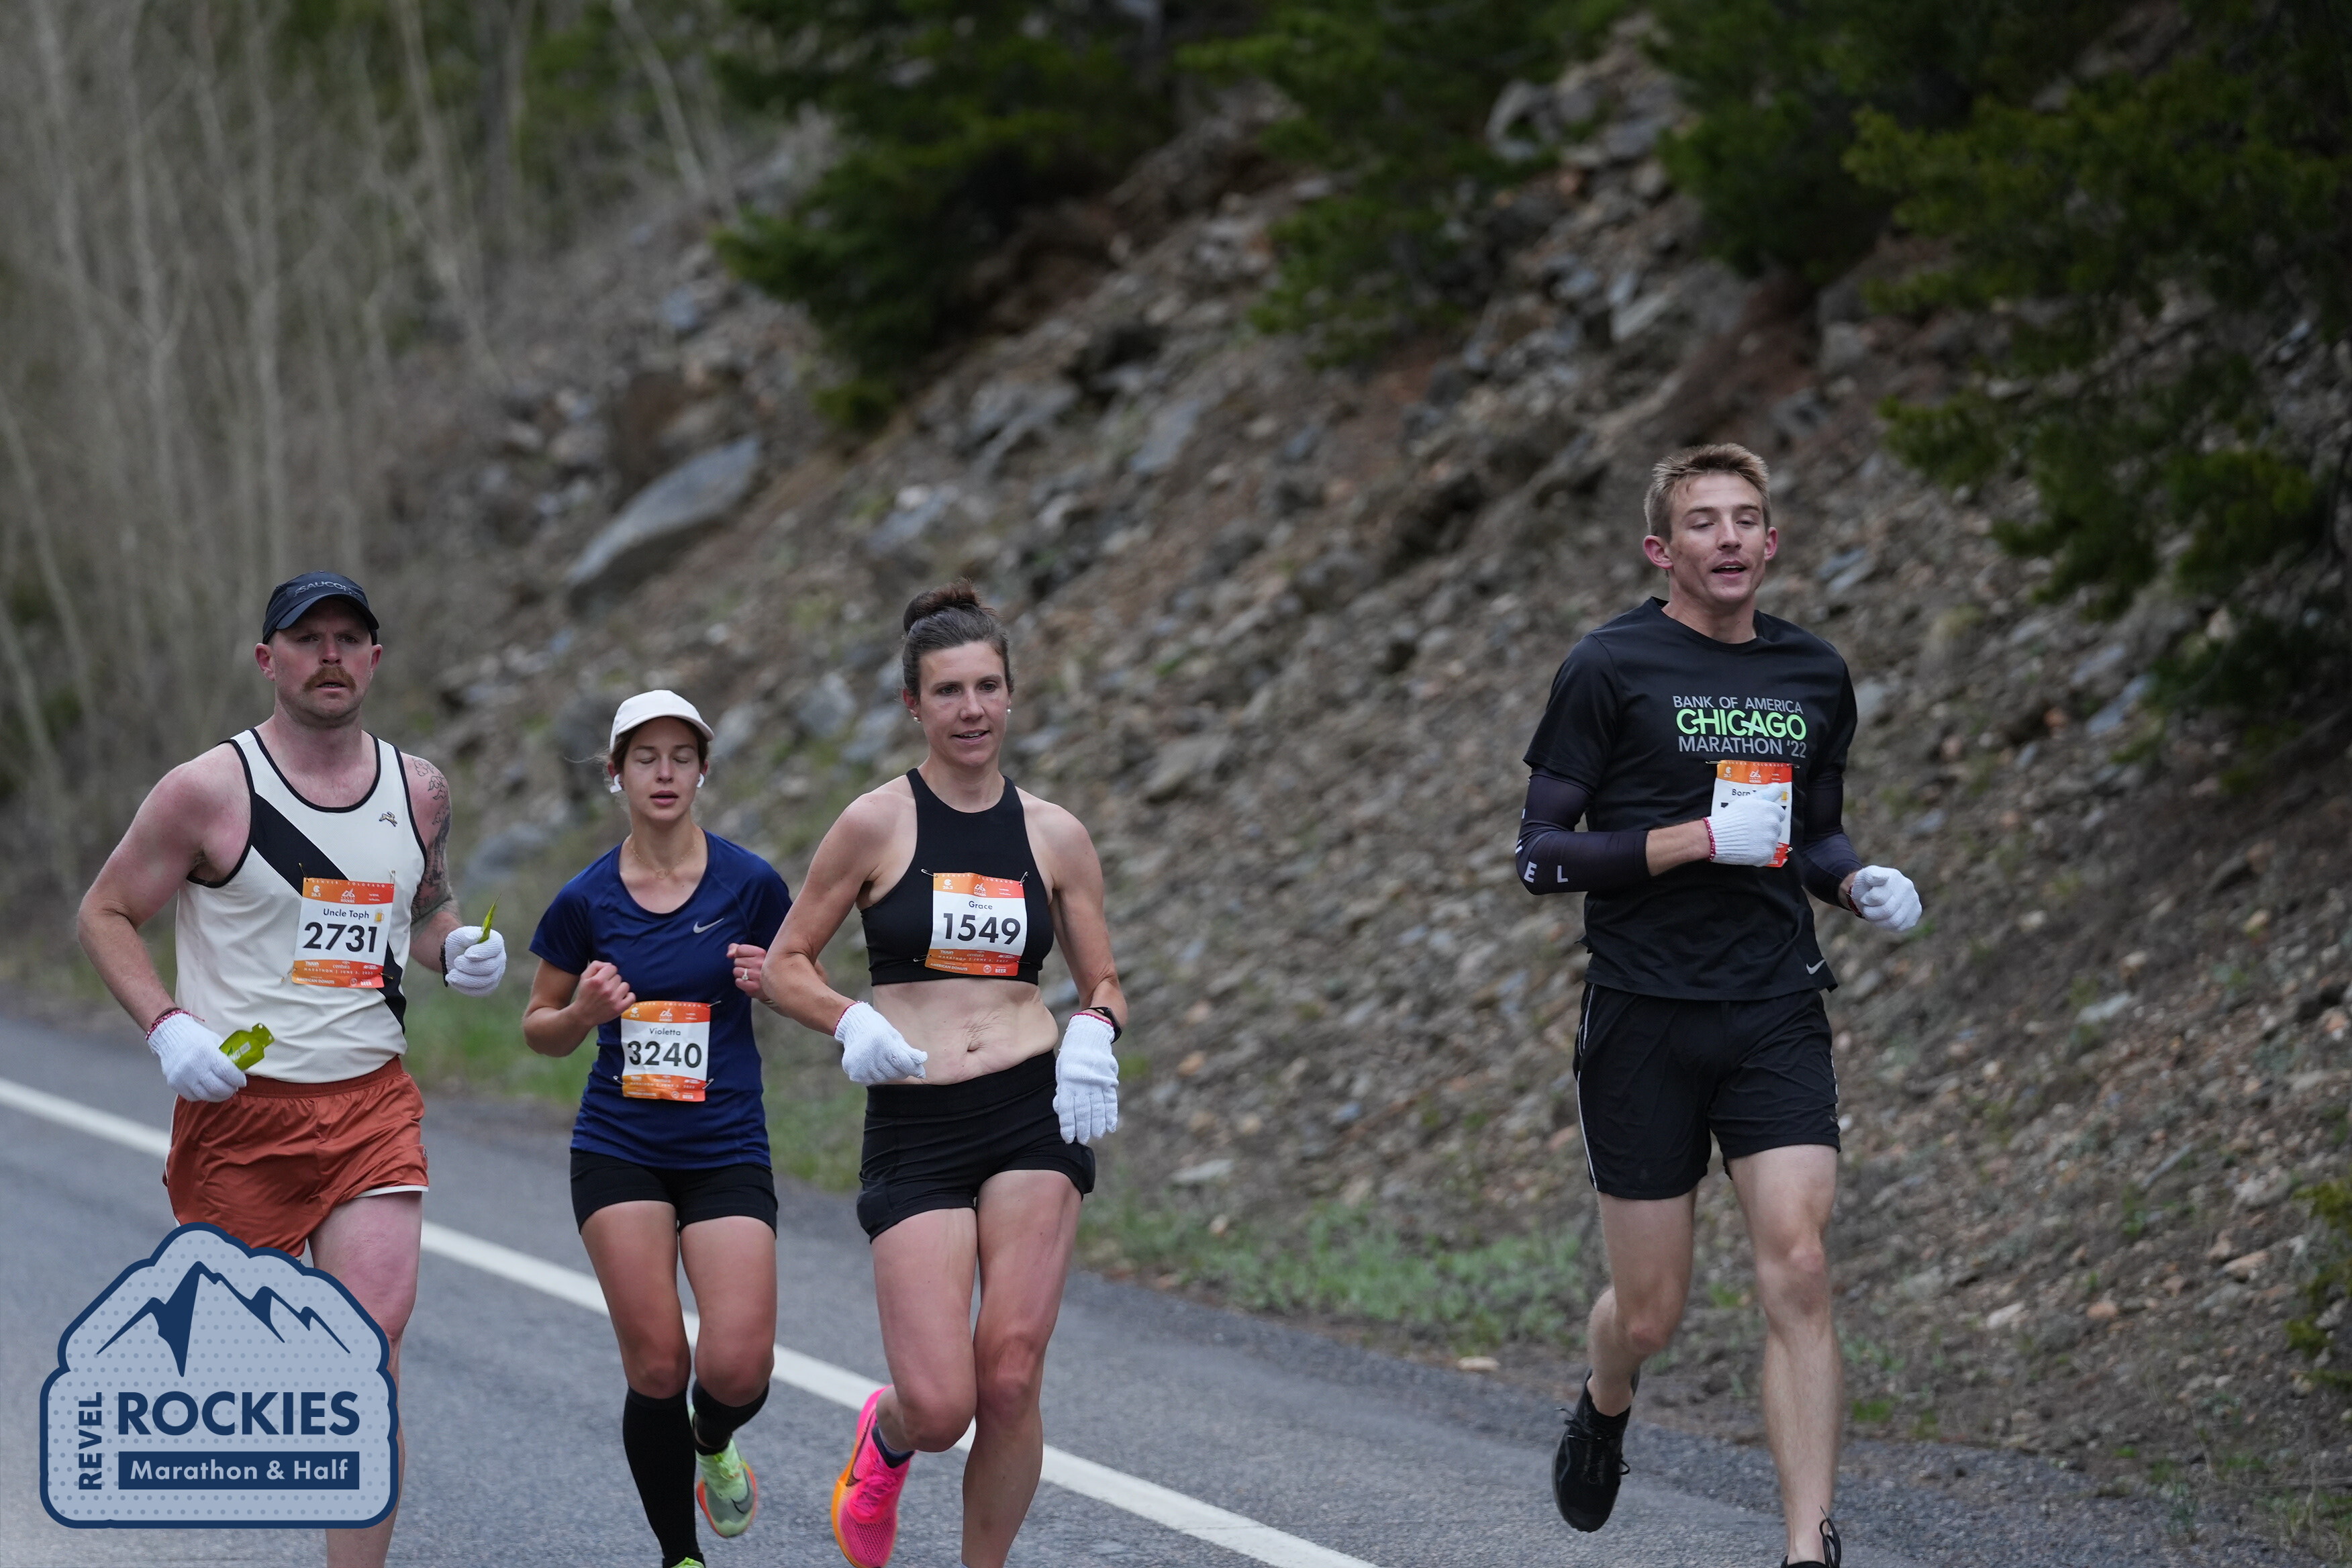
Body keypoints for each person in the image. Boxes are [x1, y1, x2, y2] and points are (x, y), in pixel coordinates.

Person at [1515, 446, 1921, 1568]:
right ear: (1662, 549)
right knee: (1650, 1314)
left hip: (1773, 1002)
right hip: (1644, 1015)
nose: (1730, 537)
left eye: (1748, 519)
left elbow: (1815, 833)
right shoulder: (1609, 666)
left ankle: (1806, 1549)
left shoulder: (1813, 673)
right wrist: (1691, 839)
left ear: (1772, 543)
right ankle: (1606, 1395)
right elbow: (1539, 855)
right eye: (1704, 522)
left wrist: (1856, 882)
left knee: (1799, 1262)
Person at [77, 570, 507, 1568]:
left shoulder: (420, 789)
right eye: (308, 640)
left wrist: (455, 949)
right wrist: (167, 1027)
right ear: (269, 660)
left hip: (370, 1107)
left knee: (369, 1355)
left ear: (375, 660)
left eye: (349, 639)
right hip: (242, 1114)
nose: (330, 657)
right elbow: (104, 913)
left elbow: (424, 908)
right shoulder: (207, 791)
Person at [761, 582, 1124, 1568]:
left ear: (1011, 695)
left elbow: (1104, 981)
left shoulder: (1054, 834)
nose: (971, 709)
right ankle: (887, 1439)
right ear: (912, 706)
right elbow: (786, 966)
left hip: (1030, 1108)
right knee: (940, 1404)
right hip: (916, 1122)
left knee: (1010, 1376)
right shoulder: (874, 824)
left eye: (987, 687)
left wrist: (1093, 1029)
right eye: (948, 691)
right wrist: (850, 1020)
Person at [522, 690, 793, 1568]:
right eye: (646, 758)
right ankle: (681, 1556)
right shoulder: (585, 899)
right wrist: (582, 1011)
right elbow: (539, 1027)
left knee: (738, 1367)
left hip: (724, 1144)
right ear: (617, 774)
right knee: (657, 1368)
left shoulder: (751, 885)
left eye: (682, 757)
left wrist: (770, 980)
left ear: (703, 769)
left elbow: (803, 982)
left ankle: (711, 1440)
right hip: (621, 1147)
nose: (665, 773)